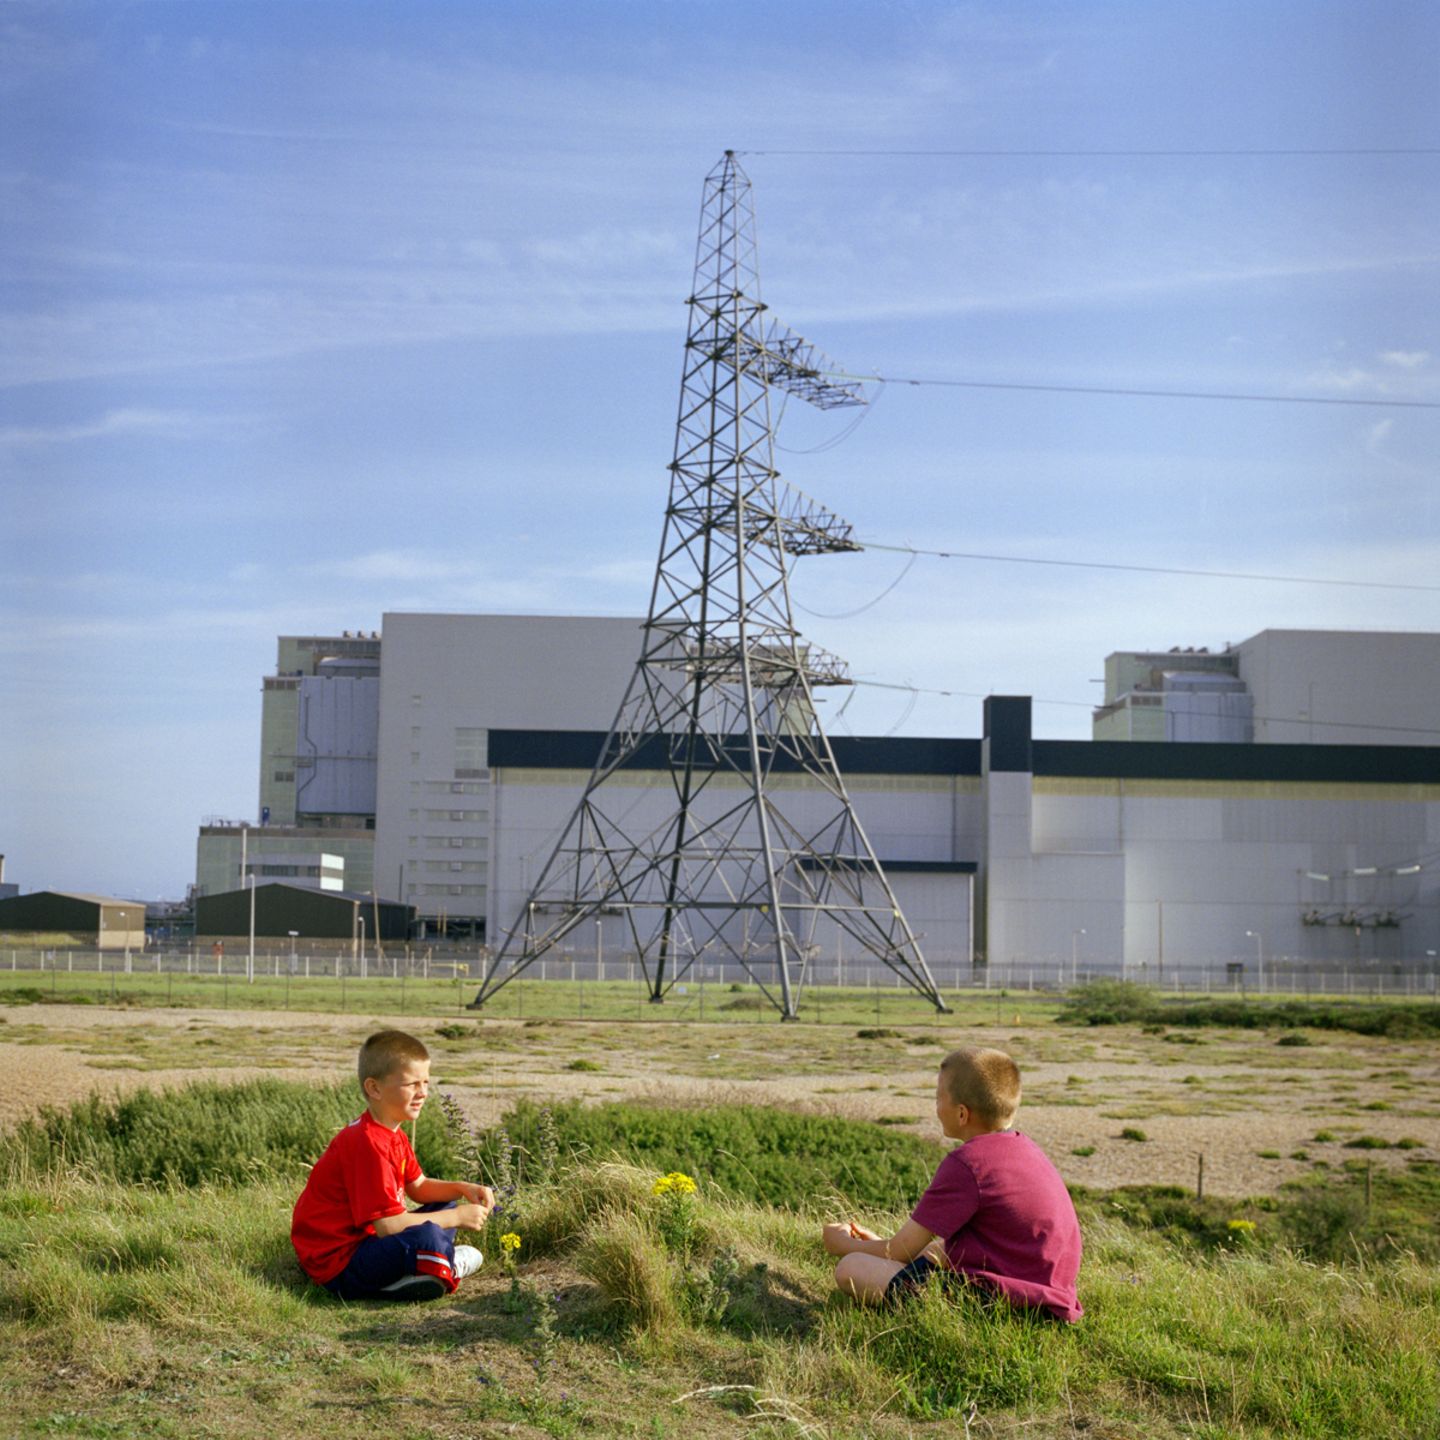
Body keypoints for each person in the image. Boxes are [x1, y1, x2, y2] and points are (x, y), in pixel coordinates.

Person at [822, 1046, 1082, 1323]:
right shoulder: (1024, 1147)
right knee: (937, 1249)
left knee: (850, 1268)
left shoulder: (967, 1163)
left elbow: (900, 1250)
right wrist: (880, 1246)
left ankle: (941, 1311)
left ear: (962, 1114)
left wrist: (843, 1245)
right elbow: (910, 1248)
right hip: (1049, 1296)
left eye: (938, 1098)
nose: (935, 1106)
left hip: (1005, 1306)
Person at [292, 1029, 495, 1301]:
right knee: (430, 1236)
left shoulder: (392, 1133)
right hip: (339, 1264)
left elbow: (419, 1187)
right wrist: (458, 1218)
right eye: (412, 1084)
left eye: (426, 1082)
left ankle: (428, 1265)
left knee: (446, 1204)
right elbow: (388, 1226)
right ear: (374, 1088)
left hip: (366, 1244)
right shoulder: (367, 1143)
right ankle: (443, 1266)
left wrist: (462, 1188)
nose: (422, 1093)